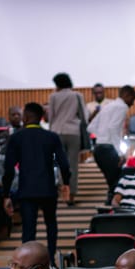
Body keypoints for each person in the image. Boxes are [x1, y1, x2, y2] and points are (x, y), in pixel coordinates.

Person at [2, 102, 71, 256]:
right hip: (48, 188)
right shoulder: (51, 137)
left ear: (25, 117)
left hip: (26, 190)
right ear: (41, 117)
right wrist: (66, 183)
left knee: (28, 230)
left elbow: (8, 169)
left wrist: (6, 193)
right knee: (51, 225)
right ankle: (51, 258)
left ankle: (29, 262)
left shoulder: (16, 137)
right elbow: (64, 164)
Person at [47, 75, 88, 204]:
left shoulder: (53, 96)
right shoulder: (77, 95)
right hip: (73, 132)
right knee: (73, 165)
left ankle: (63, 193)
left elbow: (51, 117)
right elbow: (84, 116)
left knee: (61, 164)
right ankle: (71, 195)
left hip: (57, 132)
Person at [87, 85, 135, 193]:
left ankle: (110, 201)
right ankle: (112, 203)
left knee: (113, 183)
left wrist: (102, 136)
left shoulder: (109, 106)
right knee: (117, 184)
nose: (132, 104)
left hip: (98, 149)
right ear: (127, 95)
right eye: (132, 99)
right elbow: (113, 128)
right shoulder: (122, 106)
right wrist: (120, 153)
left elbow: (90, 127)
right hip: (108, 150)